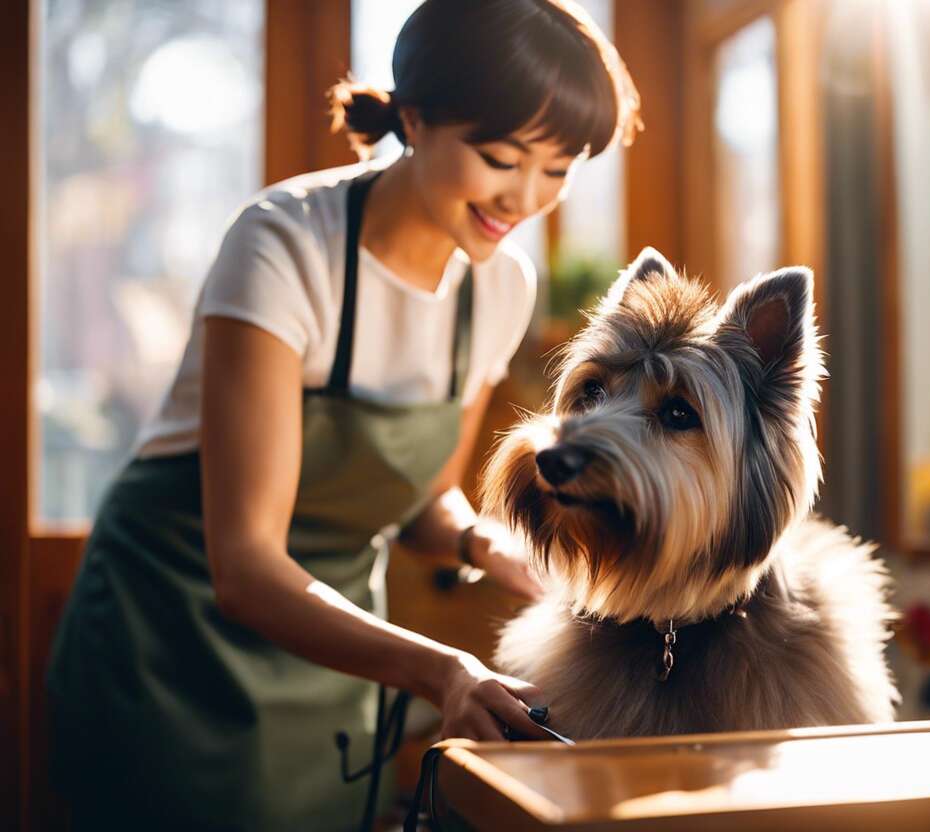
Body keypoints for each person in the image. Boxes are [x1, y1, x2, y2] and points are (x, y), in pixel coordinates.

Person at [45, 1, 642, 828]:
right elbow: (247, 564)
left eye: (560, 169)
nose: (526, 198)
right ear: (418, 115)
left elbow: (425, 501)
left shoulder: (500, 288)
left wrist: (488, 545)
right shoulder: (284, 245)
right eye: (502, 157)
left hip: (337, 643)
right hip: (171, 631)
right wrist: (443, 671)